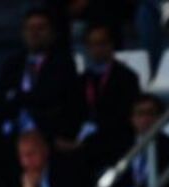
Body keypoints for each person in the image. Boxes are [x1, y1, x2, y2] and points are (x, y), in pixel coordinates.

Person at [0, 7, 80, 158]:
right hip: (12, 138)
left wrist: (17, 97)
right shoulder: (13, 63)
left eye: (40, 28)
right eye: (30, 28)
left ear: (52, 33)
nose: (34, 33)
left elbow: (52, 98)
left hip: (48, 138)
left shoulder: (63, 64)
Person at [57, 24, 140, 168]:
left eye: (102, 43)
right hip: (83, 140)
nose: (97, 49)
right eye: (92, 44)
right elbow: (71, 112)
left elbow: (124, 116)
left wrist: (88, 141)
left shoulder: (127, 78)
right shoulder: (81, 81)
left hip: (113, 141)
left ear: (111, 45)